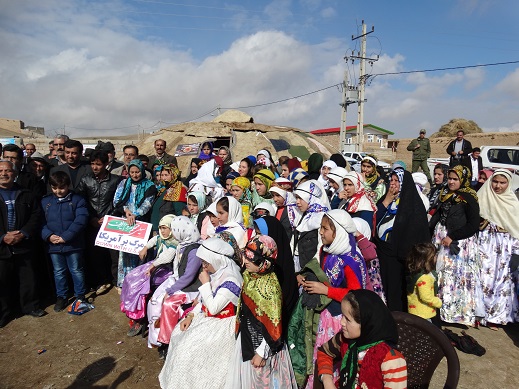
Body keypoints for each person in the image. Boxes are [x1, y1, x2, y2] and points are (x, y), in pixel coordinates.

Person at [158, 238, 243, 389]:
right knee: (179, 334)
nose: (203, 266)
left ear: (216, 259)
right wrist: (191, 316)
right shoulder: (217, 273)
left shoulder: (231, 279)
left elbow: (214, 307)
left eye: (206, 263)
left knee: (189, 350)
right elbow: (204, 302)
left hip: (223, 326)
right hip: (208, 319)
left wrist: (205, 284)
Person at [301, 209, 369, 388]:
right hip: (326, 316)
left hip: (340, 319)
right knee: (320, 357)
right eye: (321, 228)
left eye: (325, 228)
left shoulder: (351, 260)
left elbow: (355, 295)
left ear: (338, 232)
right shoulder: (328, 251)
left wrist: (326, 290)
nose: (321, 232)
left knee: (334, 358)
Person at [226, 235, 298, 388]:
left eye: (251, 258)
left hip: (263, 347)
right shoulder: (249, 277)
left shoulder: (270, 287)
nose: (245, 261)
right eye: (245, 255)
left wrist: (261, 352)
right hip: (247, 341)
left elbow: (273, 323)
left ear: (264, 262)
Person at [316, 290, 407, 389]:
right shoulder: (345, 339)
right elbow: (324, 352)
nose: (341, 322)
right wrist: (327, 380)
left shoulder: (391, 359)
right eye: (342, 316)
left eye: (347, 319)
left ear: (365, 323)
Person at [430, 165, 480, 326]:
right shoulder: (445, 194)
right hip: (441, 238)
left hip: (458, 244)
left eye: (455, 179)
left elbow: (473, 225)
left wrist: (452, 236)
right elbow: (437, 215)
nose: (451, 182)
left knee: (455, 278)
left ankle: (455, 315)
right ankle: (440, 310)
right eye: (449, 178)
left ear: (463, 180)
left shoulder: (469, 198)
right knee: (441, 275)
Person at [374, 167, 430, 311]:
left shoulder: (412, 206)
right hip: (382, 254)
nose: (392, 184)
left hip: (400, 259)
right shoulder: (386, 200)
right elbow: (374, 220)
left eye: (396, 181)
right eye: (391, 180)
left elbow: (416, 233)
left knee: (396, 295)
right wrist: (386, 201)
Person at [146, 216, 202, 354]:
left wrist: (171, 290)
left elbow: (188, 276)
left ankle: (167, 340)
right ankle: (156, 338)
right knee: (154, 301)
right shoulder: (183, 245)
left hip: (191, 288)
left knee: (168, 304)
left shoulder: (194, 250)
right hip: (179, 282)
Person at [0, 160, 45, 326]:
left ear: (15, 173)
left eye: (8, 171)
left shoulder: (26, 194)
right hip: (2, 246)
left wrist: (24, 233)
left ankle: (30, 306)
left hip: (23, 243)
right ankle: (4, 312)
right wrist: (3, 237)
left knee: (28, 278)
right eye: (1, 170)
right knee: (2, 280)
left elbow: (36, 215)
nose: (4, 174)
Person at [120, 214, 177, 338]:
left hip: (166, 271)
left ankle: (139, 318)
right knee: (131, 278)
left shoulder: (175, 241)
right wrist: (145, 248)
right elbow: (153, 240)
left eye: (165, 228)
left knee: (140, 285)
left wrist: (153, 266)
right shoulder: (161, 238)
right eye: (161, 228)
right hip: (156, 267)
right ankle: (132, 311)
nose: (162, 231)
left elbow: (167, 256)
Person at [41, 171, 89, 312]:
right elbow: (40, 222)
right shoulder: (46, 202)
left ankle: (80, 295)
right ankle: (61, 296)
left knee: (76, 270)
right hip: (53, 244)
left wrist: (66, 236)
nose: (58, 191)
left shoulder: (77, 200)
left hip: (72, 244)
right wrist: (48, 235)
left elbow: (80, 220)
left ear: (68, 186)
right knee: (59, 271)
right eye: (55, 188)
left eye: (62, 188)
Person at [477, 169, 519, 327]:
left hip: (504, 249)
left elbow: (517, 229)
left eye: (502, 183)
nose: (498, 186)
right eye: (495, 182)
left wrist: (516, 253)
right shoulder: (482, 196)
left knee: (501, 280)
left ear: (509, 184)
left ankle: (496, 316)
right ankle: (480, 313)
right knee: (482, 278)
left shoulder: (513, 204)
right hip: (484, 244)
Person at [77, 150, 121, 294]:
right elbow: (81, 201)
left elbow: (119, 202)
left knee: (113, 254)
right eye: (92, 164)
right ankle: (101, 281)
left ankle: (116, 281)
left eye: (98, 164)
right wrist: (92, 218)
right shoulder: (85, 180)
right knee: (95, 254)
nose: (95, 167)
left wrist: (109, 217)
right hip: (92, 223)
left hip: (110, 222)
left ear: (106, 164)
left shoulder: (116, 180)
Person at [113, 159, 157, 288]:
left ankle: (139, 282)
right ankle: (125, 281)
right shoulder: (124, 183)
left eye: (137, 172)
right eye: (132, 172)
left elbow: (147, 204)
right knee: (126, 251)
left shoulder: (149, 185)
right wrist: (126, 211)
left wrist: (135, 214)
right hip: (126, 222)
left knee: (140, 252)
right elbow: (116, 200)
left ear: (142, 171)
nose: (134, 175)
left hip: (140, 223)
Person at [292, 180, 330, 272]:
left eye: (300, 198)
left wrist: (311, 271)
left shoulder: (322, 218)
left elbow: (320, 249)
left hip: (311, 268)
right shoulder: (305, 215)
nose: (297, 202)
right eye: (296, 198)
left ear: (310, 198)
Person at [405, 243, 442, 322]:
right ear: (428, 260)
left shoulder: (416, 273)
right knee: (425, 332)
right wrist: (439, 302)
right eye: (434, 256)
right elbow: (426, 297)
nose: (436, 257)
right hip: (422, 314)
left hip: (416, 312)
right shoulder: (425, 278)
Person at [150, 164, 187, 232]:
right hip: (156, 229)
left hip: (167, 231)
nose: (163, 178)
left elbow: (180, 213)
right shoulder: (163, 190)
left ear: (174, 175)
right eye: (162, 175)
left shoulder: (179, 190)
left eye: (166, 175)